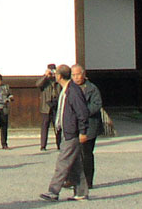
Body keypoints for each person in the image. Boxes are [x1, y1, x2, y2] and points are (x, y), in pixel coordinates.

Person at [39, 64, 89, 202]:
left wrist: (83, 131)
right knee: (75, 163)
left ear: (59, 76)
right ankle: (81, 192)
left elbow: (82, 112)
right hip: (66, 131)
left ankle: (53, 191)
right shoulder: (66, 89)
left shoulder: (73, 91)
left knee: (63, 162)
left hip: (71, 132)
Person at [71, 64, 102, 189]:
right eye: (73, 75)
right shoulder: (70, 88)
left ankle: (88, 181)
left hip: (90, 125)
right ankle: (74, 179)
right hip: (75, 125)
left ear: (83, 74)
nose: (76, 77)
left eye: (78, 74)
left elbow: (97, 104)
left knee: (87, 153)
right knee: (73, 153)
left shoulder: (91, 88)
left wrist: (83, 112)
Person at [37, 63, 60, 151]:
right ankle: (43, 145)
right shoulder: (44, 80)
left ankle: (59, 144)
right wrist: (46, 76)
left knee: (57, 126)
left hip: (56, 104)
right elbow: (38, 84)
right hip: (46, 106)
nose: (52, 72)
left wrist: (57, 76)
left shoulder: (57, 79)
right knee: (45, 125)